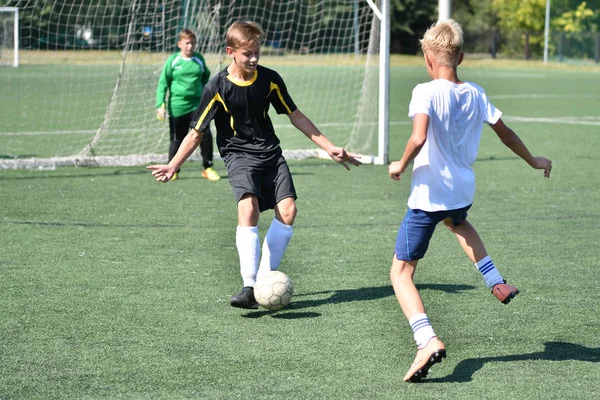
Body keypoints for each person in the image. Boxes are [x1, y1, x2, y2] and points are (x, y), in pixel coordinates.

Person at [148, 21, 361, 308]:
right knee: (247, 207)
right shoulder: (217, 87)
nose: (254, 58)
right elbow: (197, 132)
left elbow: (295, 115)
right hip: (238, 155)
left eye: (257, 52)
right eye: (247, 53)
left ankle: (263, 277)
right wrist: (174, 164)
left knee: (288, 210)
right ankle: (249, 285)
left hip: (270, 153)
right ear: (231, 52)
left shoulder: (269, 79)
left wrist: (330, 146)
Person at [387, 19, 552, 383]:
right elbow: (506, 134)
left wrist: (399, 164)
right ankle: (495, 280)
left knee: (400, 273)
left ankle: (426, 339)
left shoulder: (425, 91)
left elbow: (418, 136)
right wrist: (534, 160)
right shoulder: (476, 93)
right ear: (460, 56)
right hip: (462, 191)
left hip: (429, 194)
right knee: (458, 222)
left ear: (428, 59)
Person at [156, 28, 220, 181]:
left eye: (192, 43)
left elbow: (206, 78)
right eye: (187, 43)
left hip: (198, 105)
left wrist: (208, 96)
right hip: (178, 106)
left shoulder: (198, 59)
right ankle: (174, 169)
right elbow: (162, 84)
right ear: (180, 44)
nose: (190, 46)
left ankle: (207, 167)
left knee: (205, 136)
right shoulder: (173, 61)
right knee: (177, 139)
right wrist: (160, 105)